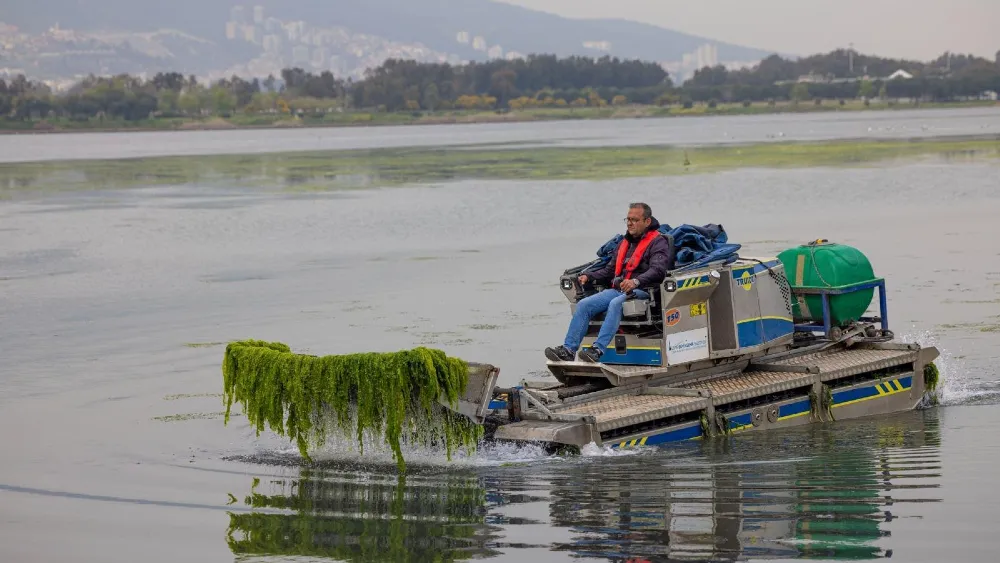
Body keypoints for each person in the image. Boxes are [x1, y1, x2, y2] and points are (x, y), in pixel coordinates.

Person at [545, 202, 674, 363]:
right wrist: (589, 276)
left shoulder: (658, 242)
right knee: (584, 304)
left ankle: (597, 350)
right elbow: (609, 270)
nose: (629, 223)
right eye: (627, 219)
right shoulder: (623, 243)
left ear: (647, 222)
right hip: (619, 290)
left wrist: (635, 281)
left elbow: (658, 270)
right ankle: (568, 350)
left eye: (634, 220)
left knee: (615, 303)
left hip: (644, 291)